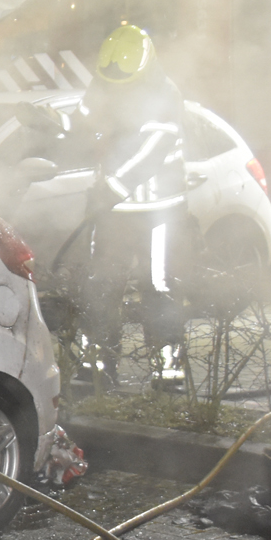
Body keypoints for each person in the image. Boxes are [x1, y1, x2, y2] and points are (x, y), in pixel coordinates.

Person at [78, 24, 188, 377]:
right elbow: (84, 124)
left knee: (158, 284)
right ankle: (97, 365)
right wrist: (54, 123)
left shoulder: (165, 94)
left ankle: (167, 367)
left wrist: (112, 187)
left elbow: (152, 151)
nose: (117, 88)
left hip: (158, 211)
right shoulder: (101, 86)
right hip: (112, 210)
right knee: (100, 283)